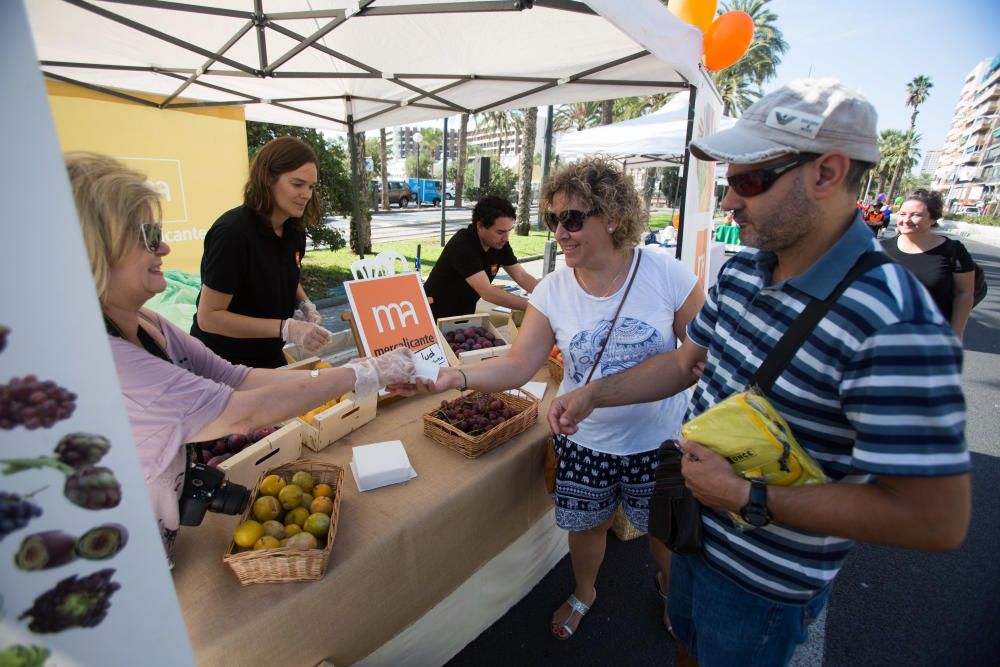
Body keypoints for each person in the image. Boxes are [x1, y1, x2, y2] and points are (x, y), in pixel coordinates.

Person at [546, 79, 971, 665]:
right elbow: (684, 362)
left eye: (748, 180)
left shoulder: (895, 321)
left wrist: (748, 495)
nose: (728, 202)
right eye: (728, 182)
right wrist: (594, 393)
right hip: (694, 532)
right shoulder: (744, 272)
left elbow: (935, 518)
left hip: (762, 585)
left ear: (826, 174)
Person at [397, 157, 704, 639]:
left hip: (659, 439)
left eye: (574, 219)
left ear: (614, 218)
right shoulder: (553, 291)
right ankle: (586, 591)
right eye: (553, 219)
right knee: (586, 527)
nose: (560, 232)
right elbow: (519, 365)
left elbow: (699, 355)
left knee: (663, 532)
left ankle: (670, 586)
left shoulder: (666, 275)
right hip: (585, 440)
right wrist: (452, 377)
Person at [67, 152, 415, 561]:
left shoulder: (149, 324)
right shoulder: (107, 360)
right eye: (147, 236)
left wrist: (350, 367)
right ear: (92, 250)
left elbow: (239, 378)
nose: (163, 245)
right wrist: (358, 374)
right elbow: (241, 410)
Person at [191, 136, 331, 368]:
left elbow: (285, 271)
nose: (306, 194)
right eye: (297, 184)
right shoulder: (233, 233)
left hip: (267, 355)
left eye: (311, 187)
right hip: (220, 362)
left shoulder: (293, 230)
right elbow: (209, 317)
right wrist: (286, 328)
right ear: (267, 178)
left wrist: (305, 304)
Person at [422, 195, 539, 320]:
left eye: (508, 231)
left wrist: (547, 293)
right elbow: (487, 292)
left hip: (463, 315)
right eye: (500, 232)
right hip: (433, 316)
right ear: (480, 225)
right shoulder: (463, 245)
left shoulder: (499, 244)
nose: (506, 238)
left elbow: (522, 276)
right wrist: (534, 306)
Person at [881, 189, 976, 339]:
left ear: (933, 218)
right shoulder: (881, 248)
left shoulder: (952, 250)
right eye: (902, 214)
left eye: (916, 215)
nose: (906, 220)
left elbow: (964, 293)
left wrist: (957, 332)